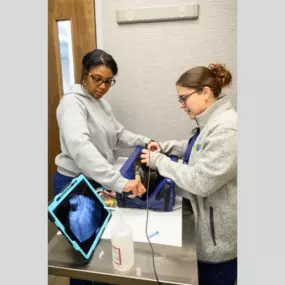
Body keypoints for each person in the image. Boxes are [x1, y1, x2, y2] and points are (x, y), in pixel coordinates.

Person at [52, 48, 155, 285]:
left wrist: (145, 141)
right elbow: (81, 149)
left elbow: (119, 133)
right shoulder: (72, 104)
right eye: (97, 79)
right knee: (82, 256)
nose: (103, 86)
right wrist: (120, 182)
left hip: (96, 181)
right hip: (74, 185)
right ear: (84, 74)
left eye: (109, 81)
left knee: (101, 248)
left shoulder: (102, 104)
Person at [141, 63, 237, 285]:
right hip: (206, 229)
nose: (181, 105)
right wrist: (165, 147)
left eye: (184, 98)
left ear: (205, 92)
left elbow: (201, 181)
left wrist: (159, 162)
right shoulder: (212, 121)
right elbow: (197, 147)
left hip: (218, 244)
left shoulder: (227, 129)